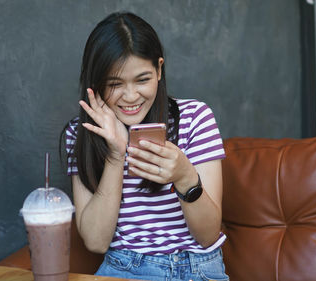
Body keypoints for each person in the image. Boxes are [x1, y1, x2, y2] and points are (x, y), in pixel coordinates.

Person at [63, 11, 229, 281]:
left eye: (142, 80)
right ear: (95, 84)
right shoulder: (83, 133)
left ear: (159, 70)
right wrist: (116, 155)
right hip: (123, 269)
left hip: (198, 268)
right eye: (114, 84)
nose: (131, 97)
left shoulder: (195, 118)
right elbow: (95, 241)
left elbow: (208, 235)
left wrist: (185, 176)